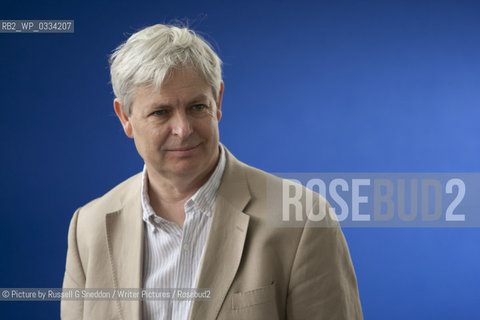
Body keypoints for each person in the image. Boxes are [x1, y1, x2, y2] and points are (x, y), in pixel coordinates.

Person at [61, 24, 363, 320]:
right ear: (125, 117)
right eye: (160, 112)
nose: (183, 129)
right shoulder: (89, 227)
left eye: (196, 107)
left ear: (217, 102)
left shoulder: (303, 218)